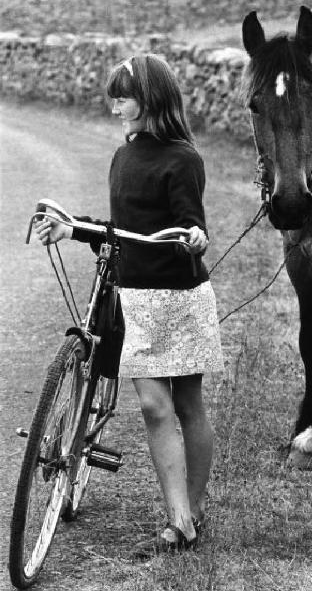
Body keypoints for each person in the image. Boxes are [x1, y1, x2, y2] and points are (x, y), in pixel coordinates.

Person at [35, 53, 224, 556]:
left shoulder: (184, 159)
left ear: (152, 100)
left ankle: (195, 508)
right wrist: (72, 227)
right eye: (114, 96)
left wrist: (195, 237)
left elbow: (190, 219)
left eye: (124, 96)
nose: (115, 105)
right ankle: (178, 519)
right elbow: (120, 231)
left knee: (187, 404)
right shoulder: (123, 157)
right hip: (135, 301)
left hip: (180, 300)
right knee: (152, 405)